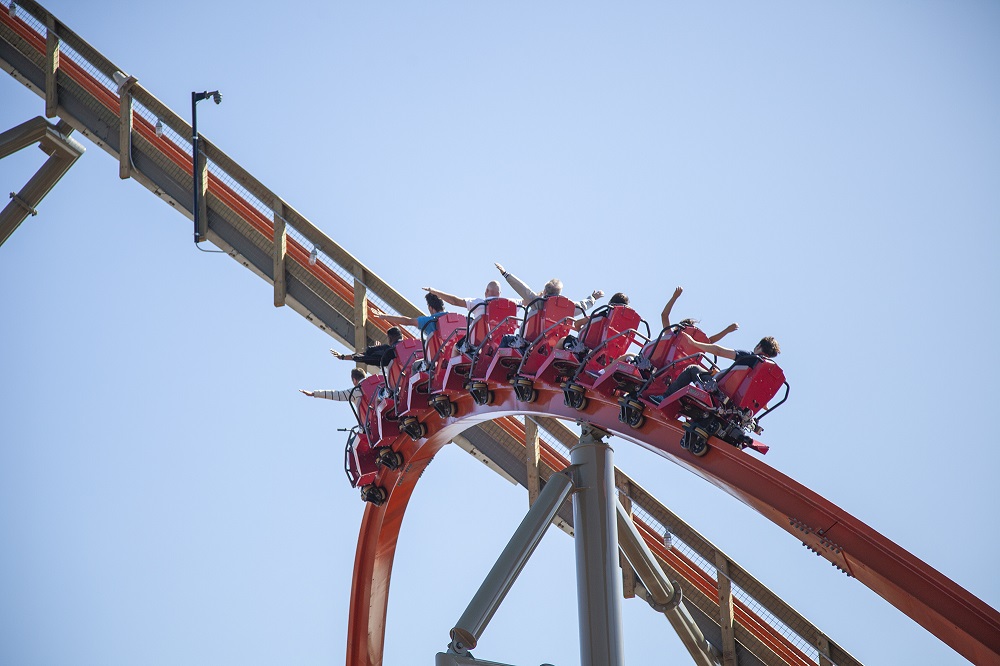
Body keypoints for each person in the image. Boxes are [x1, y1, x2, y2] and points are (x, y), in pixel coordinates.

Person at [657, 333, 781, 400]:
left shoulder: (750, 356)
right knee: (708, 371)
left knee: (692, 369)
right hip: (733, 398)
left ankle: (664, 397)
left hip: (718, 389)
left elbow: (719, 352)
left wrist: (694, 343)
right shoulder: (762, 371)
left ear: (759, 346)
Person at [494, 262, 602, 316]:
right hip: (556, 339)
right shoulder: (567, 307)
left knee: (506, 340)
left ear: (545, 291)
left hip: (535, 338)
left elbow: (523, 289)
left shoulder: (539, 303)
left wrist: (505, 274)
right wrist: (593, 298)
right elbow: (583, 305)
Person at [661, 286, 739, 343]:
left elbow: (709, 341)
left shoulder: (693, 346)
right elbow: (664, 316)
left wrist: (727, 330)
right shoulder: (671, 336)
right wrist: (674, 297)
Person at [375, 293, 447, 337]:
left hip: (440, 353)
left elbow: (407, 321)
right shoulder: (456, 318)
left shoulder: (429, 321)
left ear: (430, 307)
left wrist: (384, 316)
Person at [331, 326, 402, 367]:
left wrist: (376, 350)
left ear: (390, 338)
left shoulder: (388, 350)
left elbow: (366, 355)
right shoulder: (410, 347)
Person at [299, 368, 367, 408]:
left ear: (354, 380)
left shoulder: (354, 391)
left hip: (369, 425)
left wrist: (314, 393)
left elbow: (336, 395)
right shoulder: (377, 385)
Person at [422, 281, 512, 311]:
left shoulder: (479, 303)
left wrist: (434, 291)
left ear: (486, 291)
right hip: (503, 340)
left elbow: (454, 301)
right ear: (500, 294)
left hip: (482, 342)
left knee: (456, 348)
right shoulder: (511, 304)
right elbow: (525, 300)